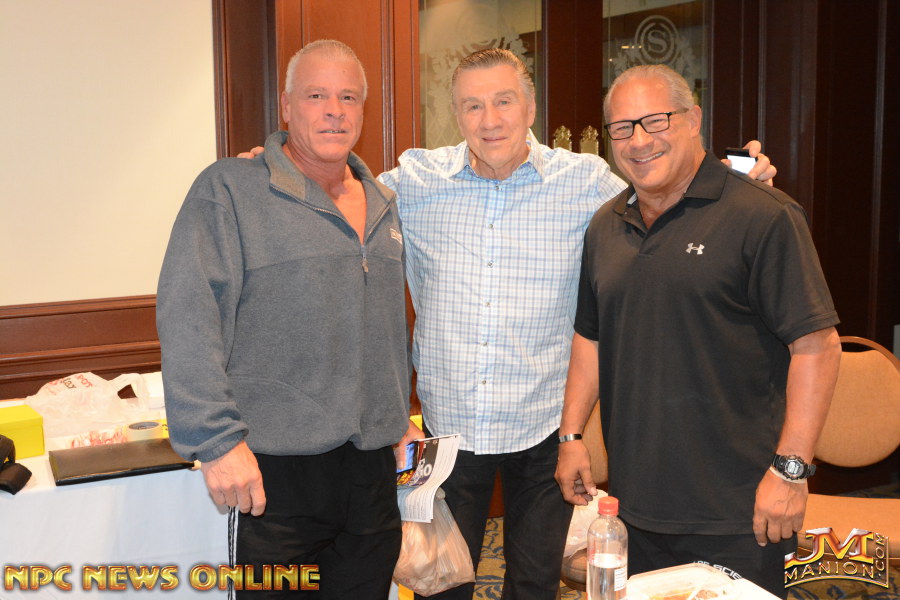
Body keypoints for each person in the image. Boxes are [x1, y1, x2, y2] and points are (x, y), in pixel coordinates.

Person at [240, 48, 773, 599]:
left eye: (504, 101)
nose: (489, 120)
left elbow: (666, 189)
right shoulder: (415, 181)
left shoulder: (586, 181)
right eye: (472, 106)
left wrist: (738, 180)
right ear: (455, 114)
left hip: (543, 429)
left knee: (534, 586)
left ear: (531, 108)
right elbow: (335, 192)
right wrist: (276, 167)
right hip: (449, 432)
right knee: (441, 585)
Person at [554, 64, 841, 598]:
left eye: (655, 120)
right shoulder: (604, 226)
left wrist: (791, 471)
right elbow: (590, 338)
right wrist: (571, 436)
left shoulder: (764, 216)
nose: (639, 141)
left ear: (693, 120)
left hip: (741, 509)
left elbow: (817, 347)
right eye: (622, 127)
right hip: (634, 507)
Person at [157, 40, 417, 599]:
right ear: (286, 105)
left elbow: (384, 327)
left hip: (370, 474)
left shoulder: (383, 202)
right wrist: (215, 440)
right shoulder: (229, 189)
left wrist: (396, 416)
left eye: (348, 97)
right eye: (316, 95)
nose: (334, 111)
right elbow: (189, 314)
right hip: (271, 476)